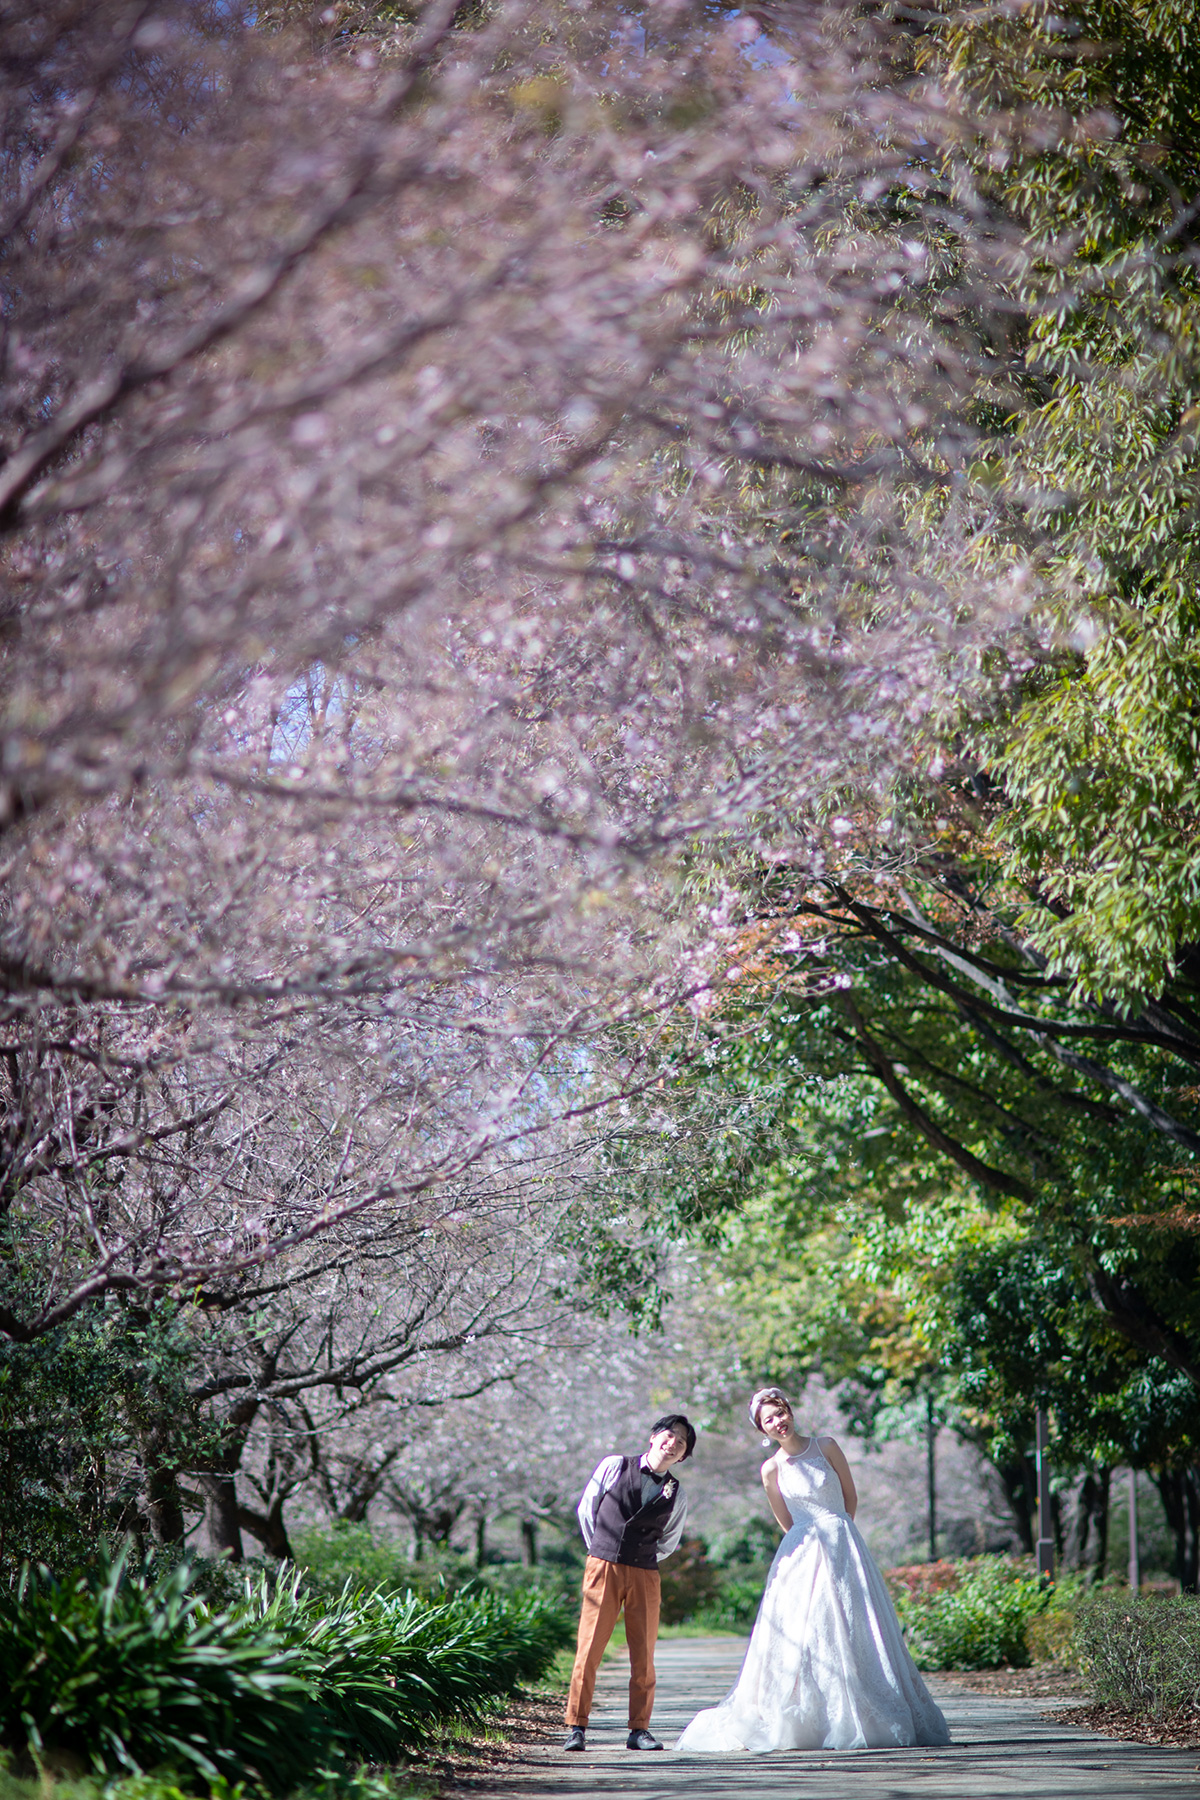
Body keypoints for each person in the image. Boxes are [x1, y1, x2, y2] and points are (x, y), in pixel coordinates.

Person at [675, 1388, 949, 1753]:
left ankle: (867, 1707)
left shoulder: (827, 1446)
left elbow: (850, 1497)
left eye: (780, 1413)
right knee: (805, 1631)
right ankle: (805, 1715)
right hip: (801, 1553)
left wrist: (838, 1534)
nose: (778, 1422)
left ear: (789, 1410)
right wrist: (810, 1543)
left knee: (853, 1626)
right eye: (768, 1420)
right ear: (763, 1430)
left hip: (842, 1542)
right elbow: (785, 1519)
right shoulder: (771, 1469)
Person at [563, 1413, 695, 1753]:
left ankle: (640, 1729)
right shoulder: (614, 1465)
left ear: (682, 1456)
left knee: (644, 1654)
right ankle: (576, 1726)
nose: (672, 1443)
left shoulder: (677, 1493)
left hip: (645, 1572)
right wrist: (602, 1550)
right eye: (668, 1435)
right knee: (589, 1648)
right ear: (653, 1437)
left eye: (681, 1443)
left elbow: (669, 1540)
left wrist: (640, 1557)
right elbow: (587, 1510)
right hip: (603, 1565)